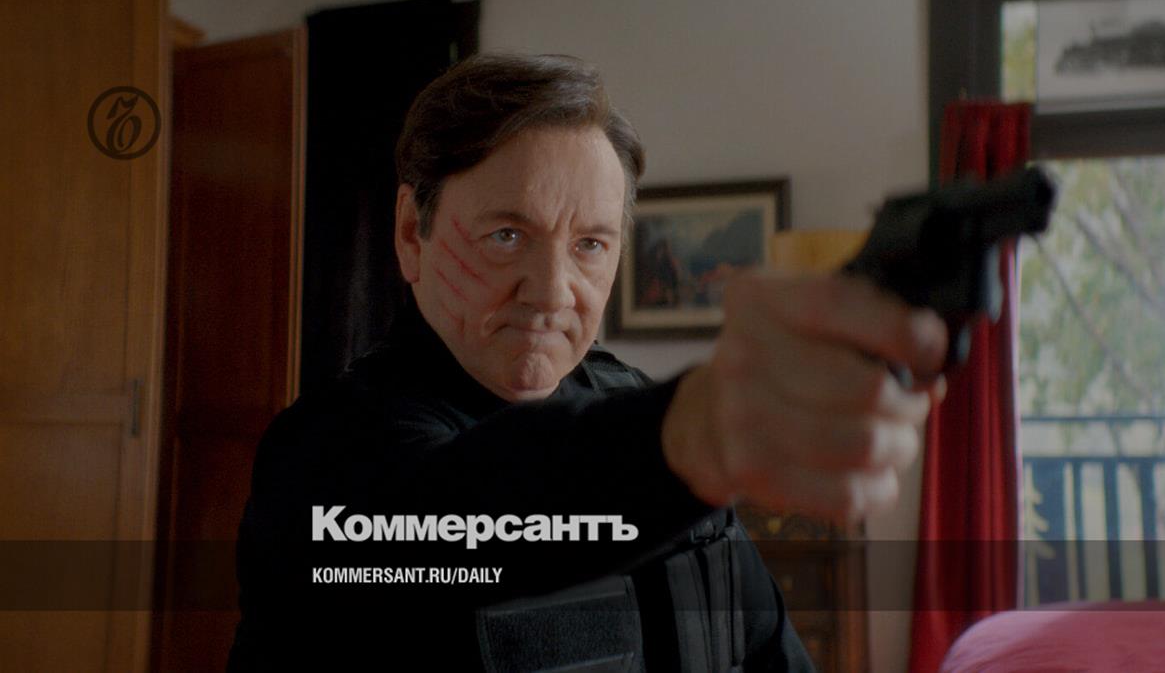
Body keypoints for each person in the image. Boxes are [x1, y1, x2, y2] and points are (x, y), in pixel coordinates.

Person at [228, 53, 947, 672]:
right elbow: (470, 513)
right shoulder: (322, 460)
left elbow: (768, 652)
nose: (551, 292)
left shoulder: (645, 407)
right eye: (507, 236)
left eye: (589, 245)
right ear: (412, 232)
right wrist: (691, 437)